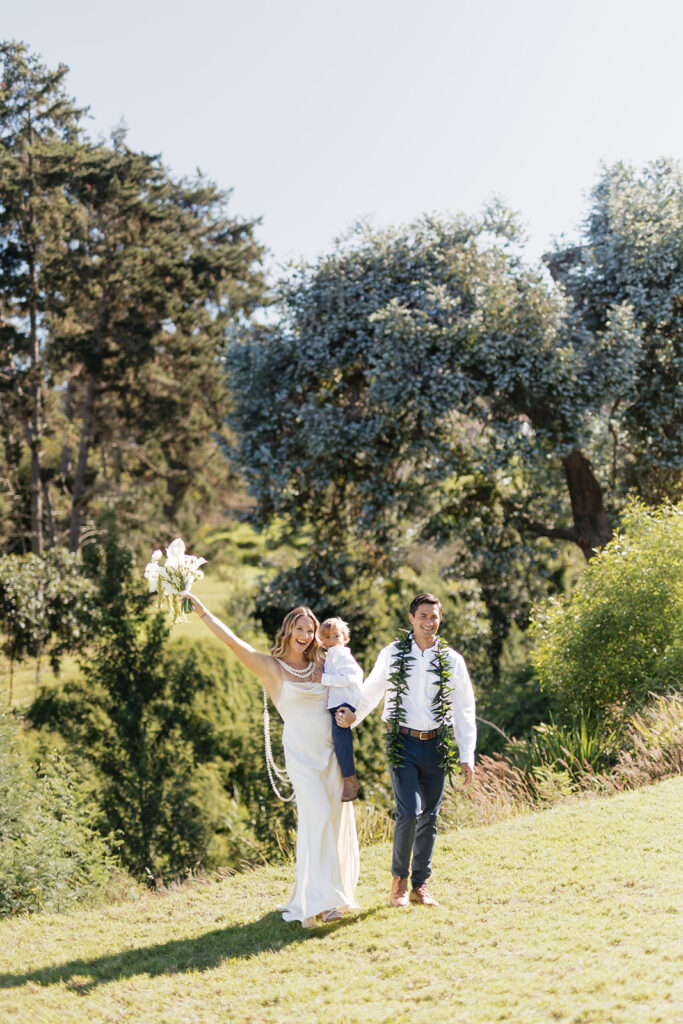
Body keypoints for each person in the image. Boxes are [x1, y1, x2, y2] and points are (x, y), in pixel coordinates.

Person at [185, 595, 359, 928]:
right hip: (301, 757)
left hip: (331, 755)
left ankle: (330, 898)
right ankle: (321, 902)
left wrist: (353, 715)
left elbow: (353, 689)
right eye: (300, 628)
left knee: (333, 822)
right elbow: (233, 643)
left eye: (310, 630)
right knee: (318, 817)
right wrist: (203, 611)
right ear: (288, 631)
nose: (305, 635)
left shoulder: (324, 665)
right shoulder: (272, 668)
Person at [335, 593, 476, 908]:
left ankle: (419, 885)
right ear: (412, 618)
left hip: (437, 744)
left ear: (440, 619)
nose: (429, 622)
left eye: (434, 616)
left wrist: (467, 754)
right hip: (402, 743)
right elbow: (372, 689)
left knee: (430, 816)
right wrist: (353, 717)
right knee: (409, 812)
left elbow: (464, 707)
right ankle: (399, 881)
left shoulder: (452, 659)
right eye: (423, 616)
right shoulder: (393, 654)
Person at [319, 617, 363, 802]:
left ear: (345, 638)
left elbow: (351, 678)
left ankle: (349, 778)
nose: (331, 640)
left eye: (336, 636)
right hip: (337, 702)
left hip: (344, 702)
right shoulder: (331, 655)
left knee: (341, 739)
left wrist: (323, 679)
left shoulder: (341, 654)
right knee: (335, 739)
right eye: (326, 637)